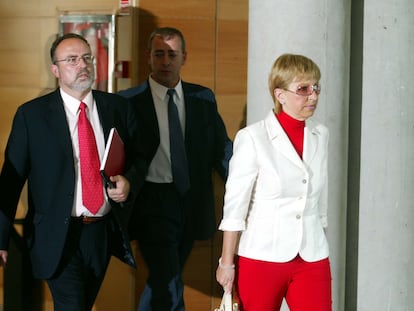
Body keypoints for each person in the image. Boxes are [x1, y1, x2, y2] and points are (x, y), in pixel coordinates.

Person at [0, 33, 141, 311]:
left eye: (87, 58)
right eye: (72, 60)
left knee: (82, 305)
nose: (82, 65)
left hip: (100, 233)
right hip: (55, 234)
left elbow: (140, 158)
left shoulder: (118, 108)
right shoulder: (32, 116)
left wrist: (129, 181)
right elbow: (9, 182)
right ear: (55, 70)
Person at [118, 27, 233, 311]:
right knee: (168, 281)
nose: (166, 61)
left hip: (191, 200)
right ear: (149, 57)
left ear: (184, 57)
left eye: (172, 55)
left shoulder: (202, 98)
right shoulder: (128, 102)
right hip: (151, 203)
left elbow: (222, 148)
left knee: (164, 279)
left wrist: (245, 187)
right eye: (159, 54)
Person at [216, 53, 332, 311]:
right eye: (303, 89)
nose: (313, 96)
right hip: (261, 256)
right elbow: (235, 207)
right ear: (280, 95)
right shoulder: (253, 138)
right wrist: (227, 263)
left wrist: (320, 233)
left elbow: (319, 200)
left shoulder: (320, 135)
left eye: (316, 87)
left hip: (312, 255)